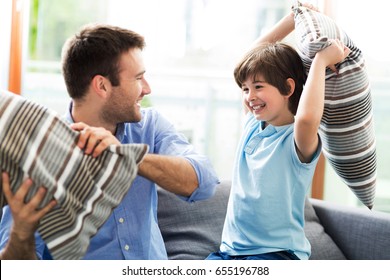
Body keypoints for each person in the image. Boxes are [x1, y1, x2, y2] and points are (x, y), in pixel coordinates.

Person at [0, 24, 219, 260]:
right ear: (102, 86)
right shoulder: (38, 153)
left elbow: (205, 183)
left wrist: (125, 155)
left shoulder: (150, 126)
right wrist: (21, 234)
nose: (147, 88)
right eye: (138, 78)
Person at [207, 7, 350, 260]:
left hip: (277, 255)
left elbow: (307, 117)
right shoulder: (252, 124)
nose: (250, 96)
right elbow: (248, 59)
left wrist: (320, 61)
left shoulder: (297, 139)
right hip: (230, 252)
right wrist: (290, 21)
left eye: (258, 87)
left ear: (288, 88)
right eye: (245, 89)